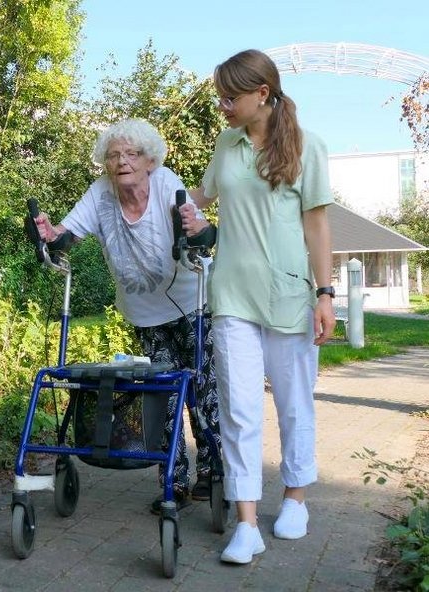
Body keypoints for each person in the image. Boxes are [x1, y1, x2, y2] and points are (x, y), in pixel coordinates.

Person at [180, 49, 336, 564]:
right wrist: (144, 181)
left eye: (230, 97)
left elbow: (317, 226)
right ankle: (247, 524)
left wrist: (325, 292)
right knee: (239, 411)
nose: (222, 105)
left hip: (291, 295)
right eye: (220, 96)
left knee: (294, 405)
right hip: (232, 295)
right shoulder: (225, 145)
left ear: (261, 94)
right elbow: (199, 196)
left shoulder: (309, 147)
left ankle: (295, 497)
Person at [33, 117, 222, 510]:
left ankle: (213, 473)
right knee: (163, 398)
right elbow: (68, 234)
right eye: (114, 155)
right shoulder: (101, 194)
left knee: (202, 391)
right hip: (144, 313)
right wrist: (50, 234)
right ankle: (174, 482)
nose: (122, 162)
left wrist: (198, 226)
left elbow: (196, 224)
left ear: (149, 161)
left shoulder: (167, 183)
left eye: (132, 154)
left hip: (192, 304)